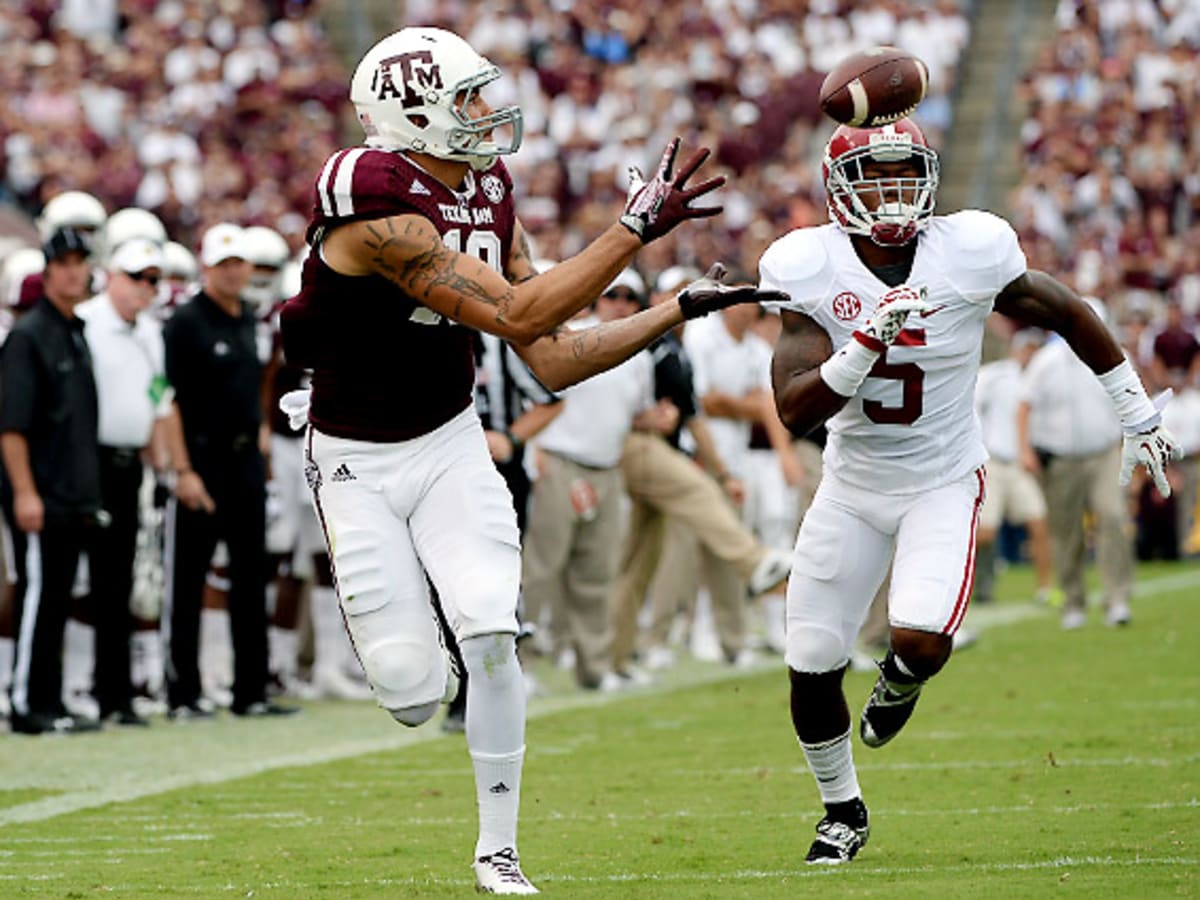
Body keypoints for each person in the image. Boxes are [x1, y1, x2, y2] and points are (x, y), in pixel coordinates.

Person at [277, 27, 779, 894]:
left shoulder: (488, 186)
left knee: (493, 627)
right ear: (411, 111)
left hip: (446, 438)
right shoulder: (371, 196)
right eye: (466, 97)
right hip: (354, 457)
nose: (486, 112)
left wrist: (674, 310)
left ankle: (497, 850)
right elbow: (514, 316)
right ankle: (409, 636)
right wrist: (631, 233)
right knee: (408, 689)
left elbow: (549, 354)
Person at [759, 118, 1181, 864]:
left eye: (903, 174)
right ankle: (842, 810)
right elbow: (795, 412)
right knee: (811, 660)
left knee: (920, 637)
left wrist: (1135, 409)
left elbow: (1069, 311)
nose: (891, 192)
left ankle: (901, 679)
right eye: (873, 177)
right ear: (837, 190)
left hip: (942, 477)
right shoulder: (809, 266)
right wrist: (863, 346)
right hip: (852, 485)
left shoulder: (970, 249)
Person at [162, 222, 293, 720]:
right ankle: (183, 693)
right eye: (225, 264)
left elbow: (256, 391)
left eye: (240, 263)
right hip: (200, 460)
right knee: (188, 579)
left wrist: (260, 449)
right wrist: (182, 469)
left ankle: (251, 691)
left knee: (249, 575)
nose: (235, 272)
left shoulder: (248, 319)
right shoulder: (185, 322)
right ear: (206, 267)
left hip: (243, 464)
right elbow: (166, 398)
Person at [0, 227, 103, 735]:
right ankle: (25, 704)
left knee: (58, 599)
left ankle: (52, 699)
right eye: (63, 262)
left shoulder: (75, 329)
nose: (72, 270)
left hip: (71, 493)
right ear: (46, 270)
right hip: (39, 492)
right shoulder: (28, 335)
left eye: (80, 261)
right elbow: (11, 425)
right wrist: (23, 491)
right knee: (38, 598)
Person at [77, 238, 172, 726]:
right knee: (79, 581)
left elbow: (157, 399)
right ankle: (77, 688)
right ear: (111, 276)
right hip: (86, 462)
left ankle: (115, 695)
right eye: (137, 277)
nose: (146, 288)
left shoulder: (151, 333)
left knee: (118, 581)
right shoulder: (88, 323)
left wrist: (161, 466)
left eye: (153, 280)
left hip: (128, 463)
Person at [1016, 301, 1136, 628]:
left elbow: (1132, 401)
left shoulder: (1115, 354)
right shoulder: (1046, 361)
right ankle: (1074, 601)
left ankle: (1118, 599)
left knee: (1112, 517)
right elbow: (1024, 405)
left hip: (1104, 453)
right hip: (1061, 458)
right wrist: (1025, 449)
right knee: (1066, 532)